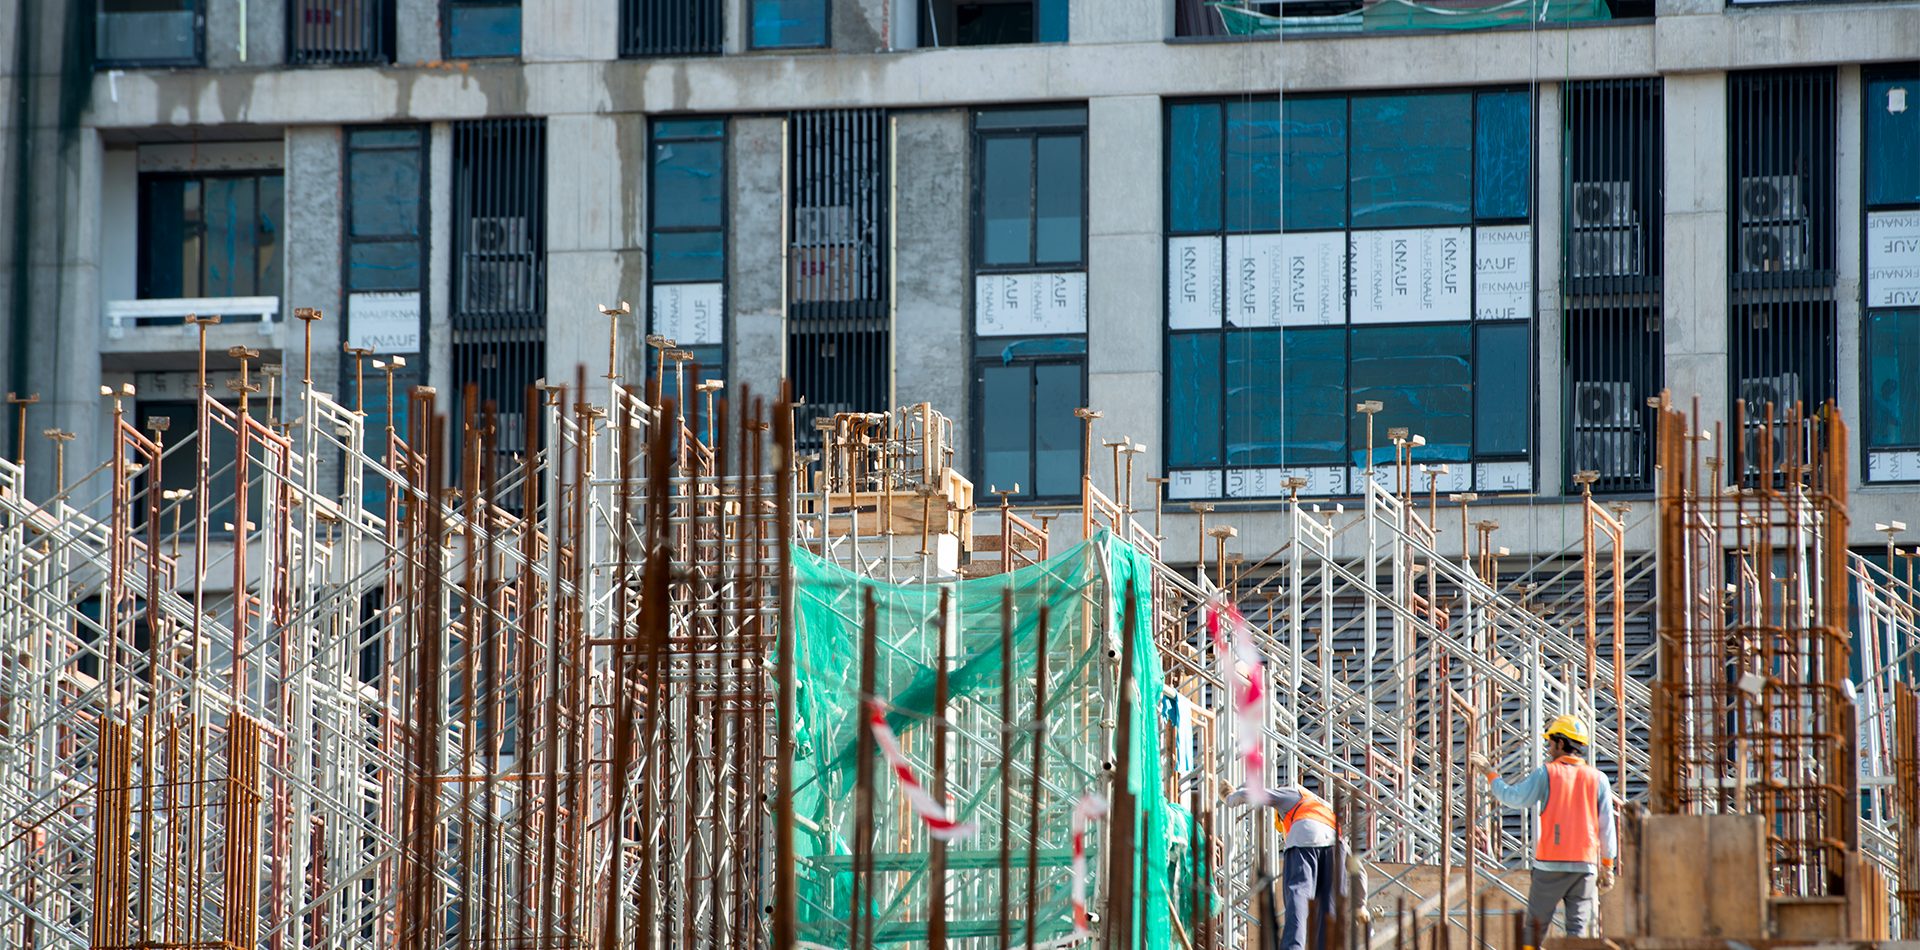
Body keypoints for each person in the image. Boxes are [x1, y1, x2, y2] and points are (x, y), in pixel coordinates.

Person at [1471, 714, 1618, 943]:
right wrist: (1608, 866)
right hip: (1585, 867)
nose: (1549, 748)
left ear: (1561, 743)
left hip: (1550, 866)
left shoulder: (1547, 773)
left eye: (1551, 742)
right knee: (1577, 934)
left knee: (1534, 931)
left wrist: (1490, 774)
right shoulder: (1598, 779)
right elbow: (1607, 826)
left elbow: (1514, 798)